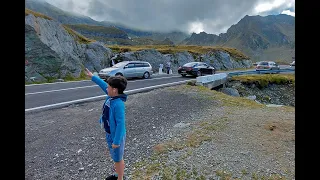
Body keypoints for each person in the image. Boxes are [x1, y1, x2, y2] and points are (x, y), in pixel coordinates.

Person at [85, 68, 127, 180]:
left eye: (108, 87)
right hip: (109, 134)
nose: (106, 88)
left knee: (118, 158)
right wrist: (92, 77)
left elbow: (120, 125)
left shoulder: (118, 104)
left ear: (114, 90)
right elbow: (103, 84)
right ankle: (118, 173)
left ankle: (120, 177)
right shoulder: (111, 96)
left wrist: (117, 141)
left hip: (115, 137)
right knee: (115, 157)